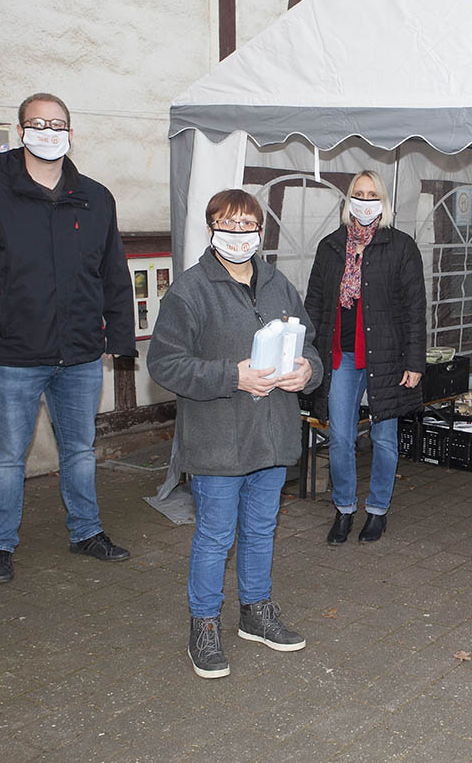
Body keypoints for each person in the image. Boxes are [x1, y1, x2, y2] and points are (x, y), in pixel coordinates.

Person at [0, 92, 136, 584]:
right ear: (21, 129)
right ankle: (0, 544)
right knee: (7, 456)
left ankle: (87, 531)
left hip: (80, 354)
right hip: (11, 355)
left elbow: (113, 273)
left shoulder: (95, 197)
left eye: (59, 124)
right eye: (38, 123)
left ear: (71, 132)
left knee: (79, 450)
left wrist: (120, 335)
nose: (49, 131)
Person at [147, 188, 323, 679]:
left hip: (272, 435)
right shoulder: (189, 290)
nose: (239, 235)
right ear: (212, 229)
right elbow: (163, 363)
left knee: (262, 528)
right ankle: (204, 625)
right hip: (218, 438)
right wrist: (232, 376)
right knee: (215, 536)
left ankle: (255, 612)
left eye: (248, 226)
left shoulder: (279, 284)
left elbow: (312, 348)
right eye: (229, 225)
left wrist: (308, 372)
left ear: (259, 232)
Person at [304, 170, 426, 545]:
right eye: (359, 193)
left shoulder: (401, 246)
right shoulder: (330, 247)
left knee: (384, 437)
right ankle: (344, 509)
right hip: (340, 354)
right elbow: (314, 304)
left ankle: (377, 511)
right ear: (348, 199)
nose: (365, 200)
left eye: (373, 194)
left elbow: (415, 309)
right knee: (340, 437)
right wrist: (308, 354)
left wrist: (415, 361)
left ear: (383, 202)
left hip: (386, 358)